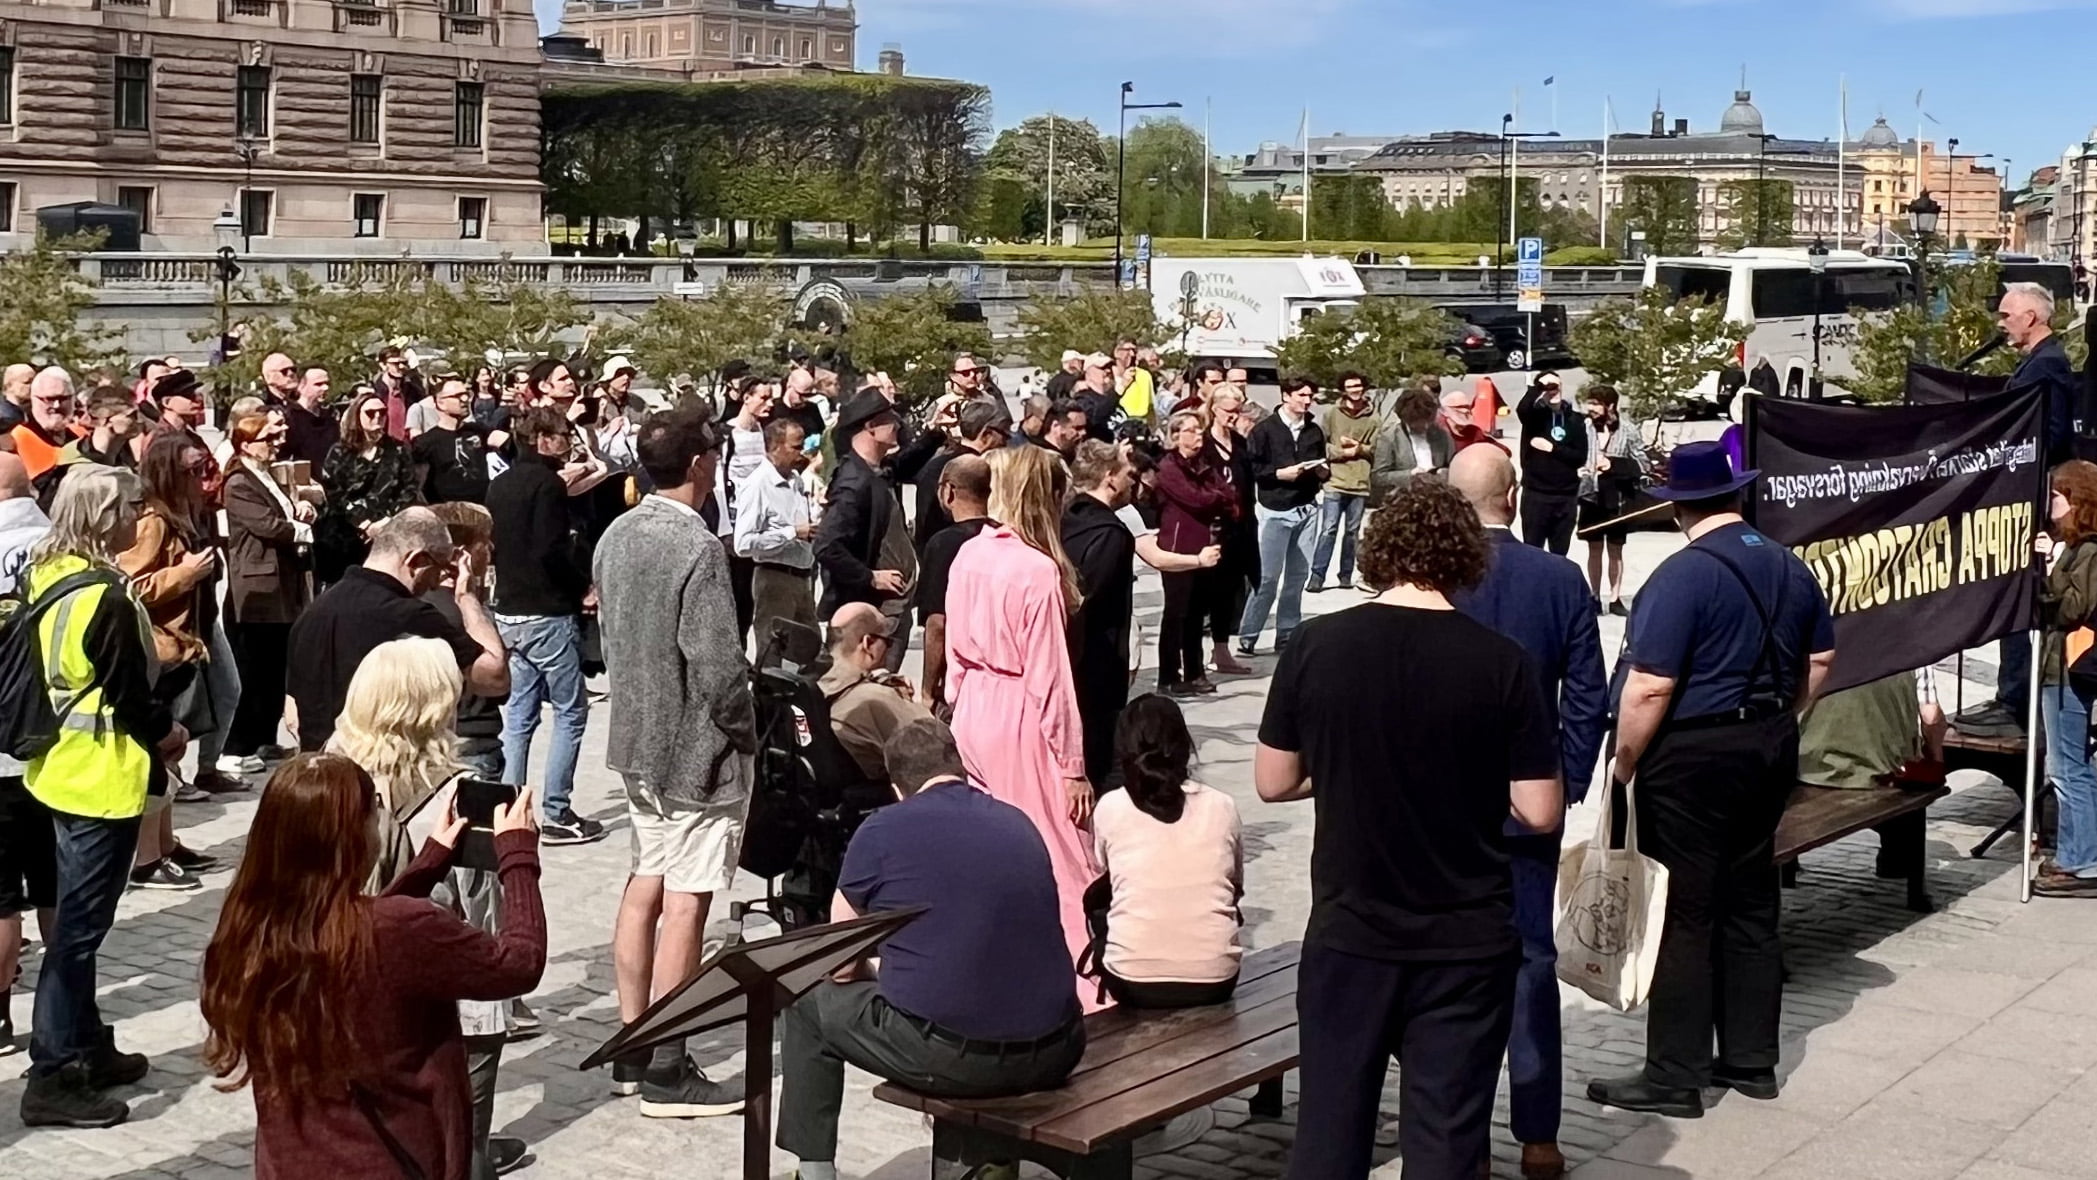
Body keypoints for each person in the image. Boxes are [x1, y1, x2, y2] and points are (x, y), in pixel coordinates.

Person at [1255, 479, 1563, 1180]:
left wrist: (1340, 769)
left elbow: (1272, 782)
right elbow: (1540, 810)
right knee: (1446, 1136)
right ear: (1463, 557)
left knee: (1330, 1127)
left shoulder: (1315, 645)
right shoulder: (1501, 661)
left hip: (1351, 930)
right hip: (1463, 937)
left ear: (1378, 551)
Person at [1588, 441, 1835, 1118]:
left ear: (1675, 507)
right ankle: (1751, 1060)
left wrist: (1624, 761)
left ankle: (1675, 1072)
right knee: (1751, 899)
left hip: (1692, 753)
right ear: (1735, 493)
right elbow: (1820, 658)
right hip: (1766, 742)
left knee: (1684, 909)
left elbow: (1648, 686)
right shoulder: (1787, 564)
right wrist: (1780, 715)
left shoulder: (1681, 576)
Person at [199, 754, 544, 1179]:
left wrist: (428, 864)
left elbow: (357, 935)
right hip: (393, 1162)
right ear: (354, 838)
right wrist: (519, 856)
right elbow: (519, 963)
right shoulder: (397, 930)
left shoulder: (250, 930)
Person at [776, 717, 1086, 1180]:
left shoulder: (881, 830)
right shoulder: (1017, 820)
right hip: (1059, 1044)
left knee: (805, 1006)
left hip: (957, 1058)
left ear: (897, 787)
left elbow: (839, 964)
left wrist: (878, 970)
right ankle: (997, 1162)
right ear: (959, 768)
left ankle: (815, 1170)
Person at [1446, 444, 1607, 1180]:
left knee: (1452, 973)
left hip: (1442, 808)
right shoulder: (1556, 578)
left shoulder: (1434, 580)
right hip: (1525, 804)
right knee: (1529, 966)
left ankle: (1462, 1134)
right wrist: (1566, 780)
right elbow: (1586, 695)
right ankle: (1537, 1135)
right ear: (1510, 495)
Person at [593, 404, 757, 1115]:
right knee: (687, 897)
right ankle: (668, 1062)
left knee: (646, 881)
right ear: (699, 462)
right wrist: (746, 729)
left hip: (634, 736)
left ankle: (633, 1044)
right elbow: (719, 664)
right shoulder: (695, 546)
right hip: (693, 745)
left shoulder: (616, 532)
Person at [17, 466, 187, 1128]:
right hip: (102, 778)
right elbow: (131, 697)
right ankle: (54, 1071)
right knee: (78, 937)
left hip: (57, 770)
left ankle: (86, 1044)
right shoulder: (106, 598)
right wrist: (170, 733)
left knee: (76, 929)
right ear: (100, 517)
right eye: (126, 508)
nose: (135, 517)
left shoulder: (48, 573)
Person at [323, 639, 532, 1177]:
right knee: (458, 1145)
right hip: (445, 1003)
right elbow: (487, 922)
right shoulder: (460, 798)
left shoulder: (329, 775)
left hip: (347, 986)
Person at [945, 445, 1097, 999]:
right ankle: (1085, 981)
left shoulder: (971, 554)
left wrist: (958, 710)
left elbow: (956, 655)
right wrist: (1072, 765)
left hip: (973, 709)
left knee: (987, 846)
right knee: (1064, 848)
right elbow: (1050, 679)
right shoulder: (1037, 570)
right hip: (1019, 712)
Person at [1958, 281, 2080, 739]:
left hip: (2031, 496)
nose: (2001, 323)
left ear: (2032, 317)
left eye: (2007, 315)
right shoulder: (2040, 361)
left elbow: (2047, 434)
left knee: (2022, 589)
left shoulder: (2046, 366)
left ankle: (2015, 700)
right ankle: (2011, 695)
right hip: (2026, 492)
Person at [285, 507, 509, 753]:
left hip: (320, 770)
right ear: (417, 561)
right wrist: (467, 596)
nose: (437, 582)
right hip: (378, 772)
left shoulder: (314, 613)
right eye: (440, 570)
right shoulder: (411, 616)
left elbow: (293, 713)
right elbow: (494, 677)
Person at [1064, 439, 1216, 783]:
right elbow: (1090, 600)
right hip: (1098, 659)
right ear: (1109, 478)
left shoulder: (1070, 518)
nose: (1136, 482)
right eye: (1129, 474)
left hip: (1078, 658)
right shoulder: (1110, 532)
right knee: (1097, 751)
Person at [484, 406, 601, 846]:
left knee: (519, 715)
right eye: (560, 435)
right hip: (547, 611)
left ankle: (510, 807)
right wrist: (583, 588)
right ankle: (556, 810)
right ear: (541, 439)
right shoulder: (548, 486)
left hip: (509, 609)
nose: (567, 441)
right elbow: (552, 549)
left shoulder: (498, 483)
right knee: (571, 711)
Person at [118, 432, 232, 882]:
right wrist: (183, 575)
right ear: (169, 472)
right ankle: (147, 858)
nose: (201, 479)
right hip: (162, 649)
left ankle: (166, 844)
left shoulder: (186, 512)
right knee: (158, 751)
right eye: (192, 471)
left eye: (203, 469)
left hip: (186, 644)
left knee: (172, 752)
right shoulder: (152, 521)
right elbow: (131, 587)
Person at [1088, 694, 1242, 1008]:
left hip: (1131, 978)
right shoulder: (1222, 805)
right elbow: (1236, 886)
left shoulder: (1111, 807)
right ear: (1184, 746)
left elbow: (1106, 872)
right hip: (1215, 979)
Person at [220, 411, 313, 767]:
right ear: (246, 444)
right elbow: (268, 525)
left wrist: (299, 510)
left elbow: (284, 513)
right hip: (257, 589)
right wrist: (300, 529)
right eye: (267, 439)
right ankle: (237, 745)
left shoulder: (266, 475)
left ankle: (263, 737)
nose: (276, 443)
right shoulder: (239, 482)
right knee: (252, 667)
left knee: (275, 665)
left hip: (282, 584)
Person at [0, 449, 53, 1053]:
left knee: (0, 896)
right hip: (58, 749)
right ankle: (64, 1010)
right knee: (56, 888)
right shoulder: (63, 552)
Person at [814, 389, 916, 673]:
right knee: (867, 692)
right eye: (889, 419)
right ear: (870, 427)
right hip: (871, 614)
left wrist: (935, 434)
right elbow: (826, 546)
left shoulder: (874, 471)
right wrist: (870, 577)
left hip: (888, 611)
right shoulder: (853, 483)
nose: (897, 425)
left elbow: (906, 464)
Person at [2033, 461, 2097, 897]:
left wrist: (2051, 565)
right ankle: (2076, 853)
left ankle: (2084, 859)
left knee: (2068, 767)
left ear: (2075, 500)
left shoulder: (2088, 550)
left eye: (2056, 495)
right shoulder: (2076, 548)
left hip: (2069, 666)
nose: (2049, 502)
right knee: (2069, 765)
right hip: (2061, 665)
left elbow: (2076, 606)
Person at [1236, 377, 1329, 658]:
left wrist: (1322, 472)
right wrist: (1278, 474)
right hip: (1275, 509)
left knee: (1297, 576)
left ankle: (1287, 633)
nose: (1307, 400)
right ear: (1286, 396)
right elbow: (1253, 468)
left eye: (1310, 395)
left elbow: (1321, 462)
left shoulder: (1313, 430)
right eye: (1302, 395)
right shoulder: (1264, 431)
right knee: (1266, 578)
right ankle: (1248, 634)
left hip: (1306, 507)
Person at [1156, 411, 1240, 696]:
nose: (1197, 436)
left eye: (1199, 430)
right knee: (1176, 614)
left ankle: (1195, 671)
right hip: (1178, 547)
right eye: (1190, 430)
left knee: (1196, 613)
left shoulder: (1204, 464)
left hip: (1206, 546)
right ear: (1176, 434)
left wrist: (1217, 497)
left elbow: (1230, 493)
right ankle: (1168, 676)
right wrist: (1216, 497)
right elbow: (1194, 499)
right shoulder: (1168, 467)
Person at [820, 604, 935, 779]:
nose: (888, 650)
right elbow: (935, 742)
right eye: (887, 642)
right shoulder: (875, 698)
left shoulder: (813, 687)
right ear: (867, 643)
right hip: (881, 791)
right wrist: (905, 701)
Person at [315, 389, 416, 586]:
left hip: (388, 529)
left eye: (382, 412)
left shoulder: (397, 449)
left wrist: (387, 521)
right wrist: (364, 524)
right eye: (370, 413)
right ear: (357, 416)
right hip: (346, 535)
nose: (377, 417)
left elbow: (408, 488)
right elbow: (334, 493)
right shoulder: (340, 452)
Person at [917, 454, 994, 711]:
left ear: (949, 491)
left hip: (957, 679)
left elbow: (938, 623)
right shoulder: (1004, 537)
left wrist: (927, 690)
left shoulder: (943, 544)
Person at [734, 418, 819, 647]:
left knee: (811, 652)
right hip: (775, 578)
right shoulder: (757, 485)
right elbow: (743, 544)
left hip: (803, 577)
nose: (801, 454)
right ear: (774, 447)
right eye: (795, 447)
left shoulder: (796, 480)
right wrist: (791, 533)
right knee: (773, 653)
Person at [1308, 372, 1380, 593]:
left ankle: (1346, 575)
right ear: (1343, 390)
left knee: (1352, 531)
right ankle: (1317, 576)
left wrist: (1359, 449)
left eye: (1358, 386)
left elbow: (1377, 448)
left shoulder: (1373, 417)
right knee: (1328, 529)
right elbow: (1321, 445)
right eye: (1350, 386)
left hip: (1359, 483)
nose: (1355, 390)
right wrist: (1343, 452)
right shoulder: (1331, 414)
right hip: (1335, 482)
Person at [1576, 386, 1644, 616]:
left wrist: (1612, 464)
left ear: (1610, 406)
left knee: (1615, 550)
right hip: (1591, 495)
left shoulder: (1628, 430)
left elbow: (1642, 464)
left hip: (1617, 497)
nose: (1591, 408)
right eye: (1589, 403)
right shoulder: (1583, 428)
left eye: (1596, 403)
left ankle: (1615, 598)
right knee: (1594, 548)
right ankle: (1594, 596)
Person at [1205, 387, 1257, 676]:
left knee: (1230, 590)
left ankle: (1221, 650)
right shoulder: (1203, 442)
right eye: (1228, 411)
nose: (1233, 416)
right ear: (1214, 408)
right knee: (1206, 592)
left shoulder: (1239, 442)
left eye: (1237, 411)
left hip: (1238, 526)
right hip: (1211, 527)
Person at [910, 400, 1009, 549]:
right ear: (987, 434)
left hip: (934, 550)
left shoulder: (936, 464)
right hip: (963, 550)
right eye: (1004, 434)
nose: (1006, 442)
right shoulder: (979, 469)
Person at [1515, 372, 1586, 556]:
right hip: (1536, 495)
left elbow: (1580, 457)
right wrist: (1539, 388)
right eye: (1549, 387)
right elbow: (1522, 409)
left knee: (1560, 554)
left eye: (1556, 386)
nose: (1553, 390)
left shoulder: (1575, 420)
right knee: (1532, 552)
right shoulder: (1535, 418)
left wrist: (1553, 449)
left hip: (1565, 497)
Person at [412, 374, 495, 506]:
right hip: (446, 512)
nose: (465, 399)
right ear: (441, 402)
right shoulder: (426, 442)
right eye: (458, 396)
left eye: (466, 394)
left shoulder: (479, 431)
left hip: (481, 508)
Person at [1370, 384, 1456, 506]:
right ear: (1406, 419)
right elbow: (1378, 477)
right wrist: (1410, 475)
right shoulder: (1389, 437)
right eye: (1420, 422)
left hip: (1437, 500)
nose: (1426, 426)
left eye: (1428, 421)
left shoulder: (1442, 435)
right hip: (1403, 502)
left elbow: (1454, 466)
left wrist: (1444, 473)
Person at [12, 367, 75, 488]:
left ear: (73, 399)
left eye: (62, 399)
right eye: (49, 399)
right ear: (33, 399)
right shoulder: (17, 438)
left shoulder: (80, 435)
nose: (56, 406)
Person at [58, 388, 142, 472]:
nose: (140, 420)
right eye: (132, 415)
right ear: (105, 419)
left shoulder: (126, 456)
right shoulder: (74, 458)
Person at [281, 367, 338, 470]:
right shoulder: (290, 417)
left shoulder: (330, 417)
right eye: (318, 384)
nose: (325, 388)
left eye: (327, 384)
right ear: (301, 386)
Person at [373, 345, 426, 442]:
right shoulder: (373, 393)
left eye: (404, 363)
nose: (401, 367)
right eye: (396, 363)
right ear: (383, 365)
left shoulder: (413, 392)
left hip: (409, 448)